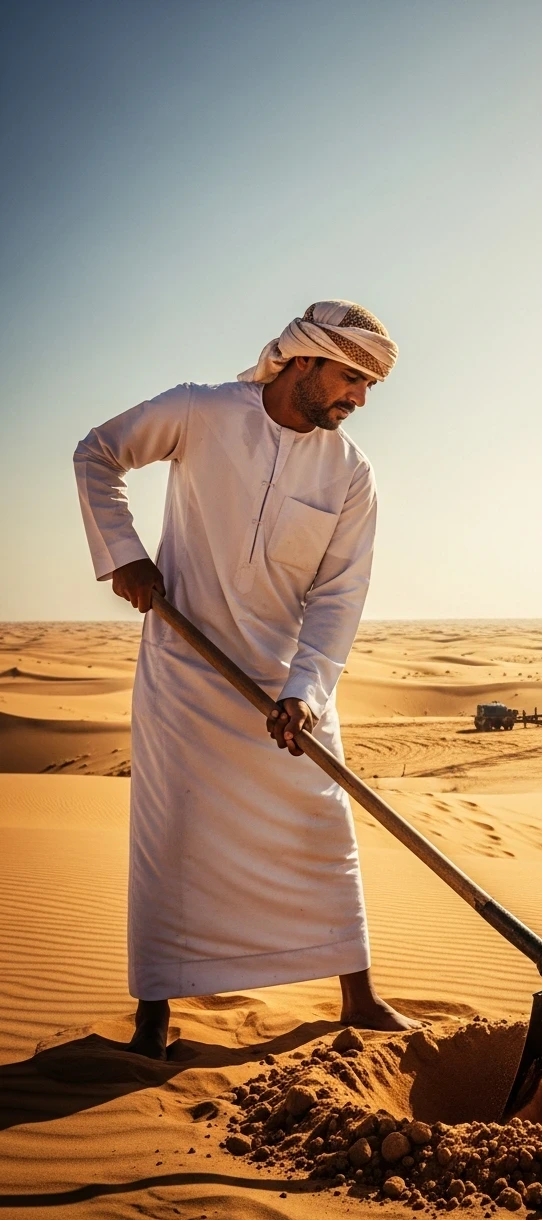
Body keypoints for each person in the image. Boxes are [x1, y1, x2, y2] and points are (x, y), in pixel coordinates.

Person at [74, 300, 418, 1059]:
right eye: (350, 377)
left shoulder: (351, 473)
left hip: (284, 681)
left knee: (324, 826)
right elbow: (97, 453)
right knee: (173, 833)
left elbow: (338, 595)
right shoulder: (200, 411)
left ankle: (358, 997)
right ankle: (154, 1014)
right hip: (186, 668)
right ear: (302, 359)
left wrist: (304, 692)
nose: (358, 398)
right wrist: (123, 553)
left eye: (368, 386)